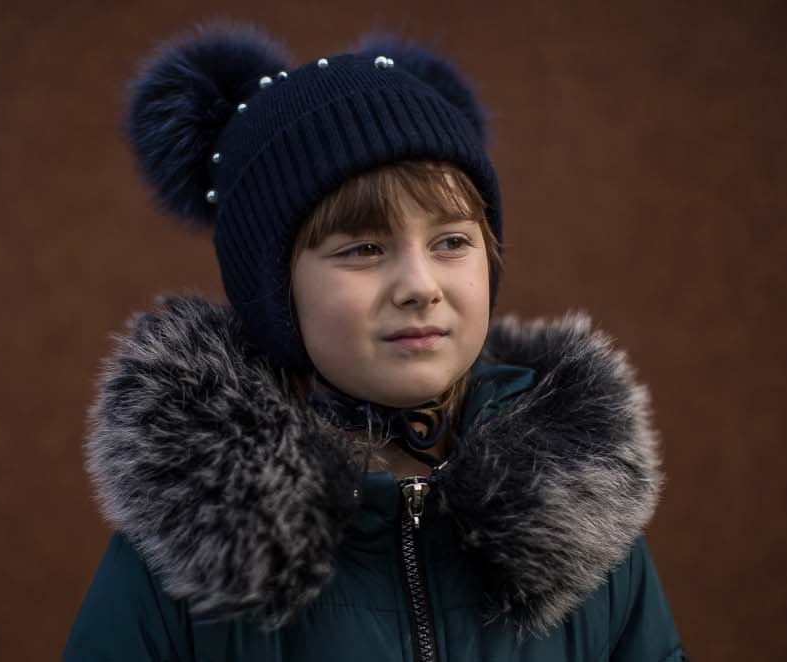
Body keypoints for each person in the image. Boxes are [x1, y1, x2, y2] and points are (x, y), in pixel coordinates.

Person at [65, 24, 686, 661]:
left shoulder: (585, 528)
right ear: (274, 296)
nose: (420, 286)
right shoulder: (184, 556)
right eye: (362, 249)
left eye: (451, 242)